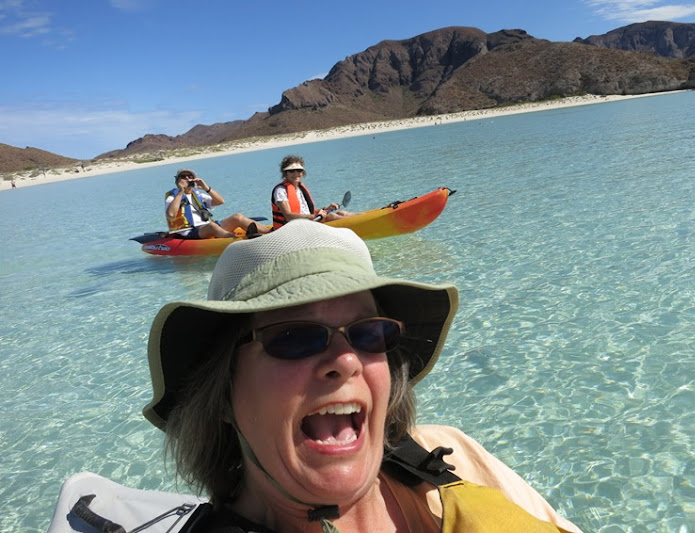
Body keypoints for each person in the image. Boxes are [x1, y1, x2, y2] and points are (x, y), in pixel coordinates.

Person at [143, 219, 582, 532]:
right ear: (222, 394)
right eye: (294, 337)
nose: (347, 360)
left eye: (370, 333)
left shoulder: (450, 453)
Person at [166, 169, 270, 239]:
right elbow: (171, 214)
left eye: (190, 176)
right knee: (211, 226)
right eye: (183, 177)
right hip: (191, 232)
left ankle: (268, 232)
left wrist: (206, 188)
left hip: (208, 227)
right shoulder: (172, 196)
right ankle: (234, 239)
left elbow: (220, 201)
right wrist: (181, 191)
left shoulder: (198, 195)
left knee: (237, 217)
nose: (187, 179)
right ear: (177, 180)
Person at [271, 155, 355, 229]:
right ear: (285, 173)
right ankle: (356, 224)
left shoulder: (300, 188)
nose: (296, 173)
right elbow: (288, 216)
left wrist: (325, 209)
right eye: (291, 171)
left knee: (342, 213)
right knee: (331, 216)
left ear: (302, 172)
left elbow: (305, 212)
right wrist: (313, 216)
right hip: (290, 229)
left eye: (299, 170)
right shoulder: (280, 191)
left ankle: (362, 217)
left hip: (306, 222)